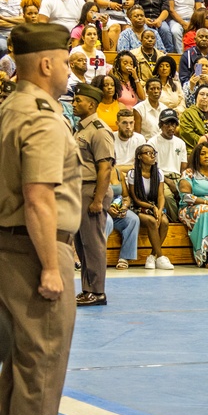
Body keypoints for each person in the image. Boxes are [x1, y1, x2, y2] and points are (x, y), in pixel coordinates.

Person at [0, 23, 91, 415]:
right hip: (36, 247)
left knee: (17, 365)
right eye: (67, 56)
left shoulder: (10, 108)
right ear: (46, 63)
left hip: (9, 244)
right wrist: (51, 267)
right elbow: (38, 197)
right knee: (40, 364)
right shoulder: (41, 116)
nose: (71, 64)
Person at [72, 82, 114, 307]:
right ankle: (87, 289)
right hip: (80, 189)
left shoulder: (99, 130)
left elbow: (105, 168)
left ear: (92, 104)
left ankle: (97, 292)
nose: (74, 103)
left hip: (92, 190)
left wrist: (98, 199)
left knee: (93, 244)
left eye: (79, 100)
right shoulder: (81, 128)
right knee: (82, 244)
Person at [127, 144, 174, 269]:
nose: (152, 156)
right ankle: (161, 256)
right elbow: (136, 199)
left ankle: (152, 256)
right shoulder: (132, 174)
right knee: (151, 221)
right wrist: (152, 208)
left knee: (164, 221)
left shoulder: (158, 173)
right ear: (139, 157)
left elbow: (161, 196)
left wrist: (159, 209)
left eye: (154, 153)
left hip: (154, 205)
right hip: (139, 205)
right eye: (148, 153)